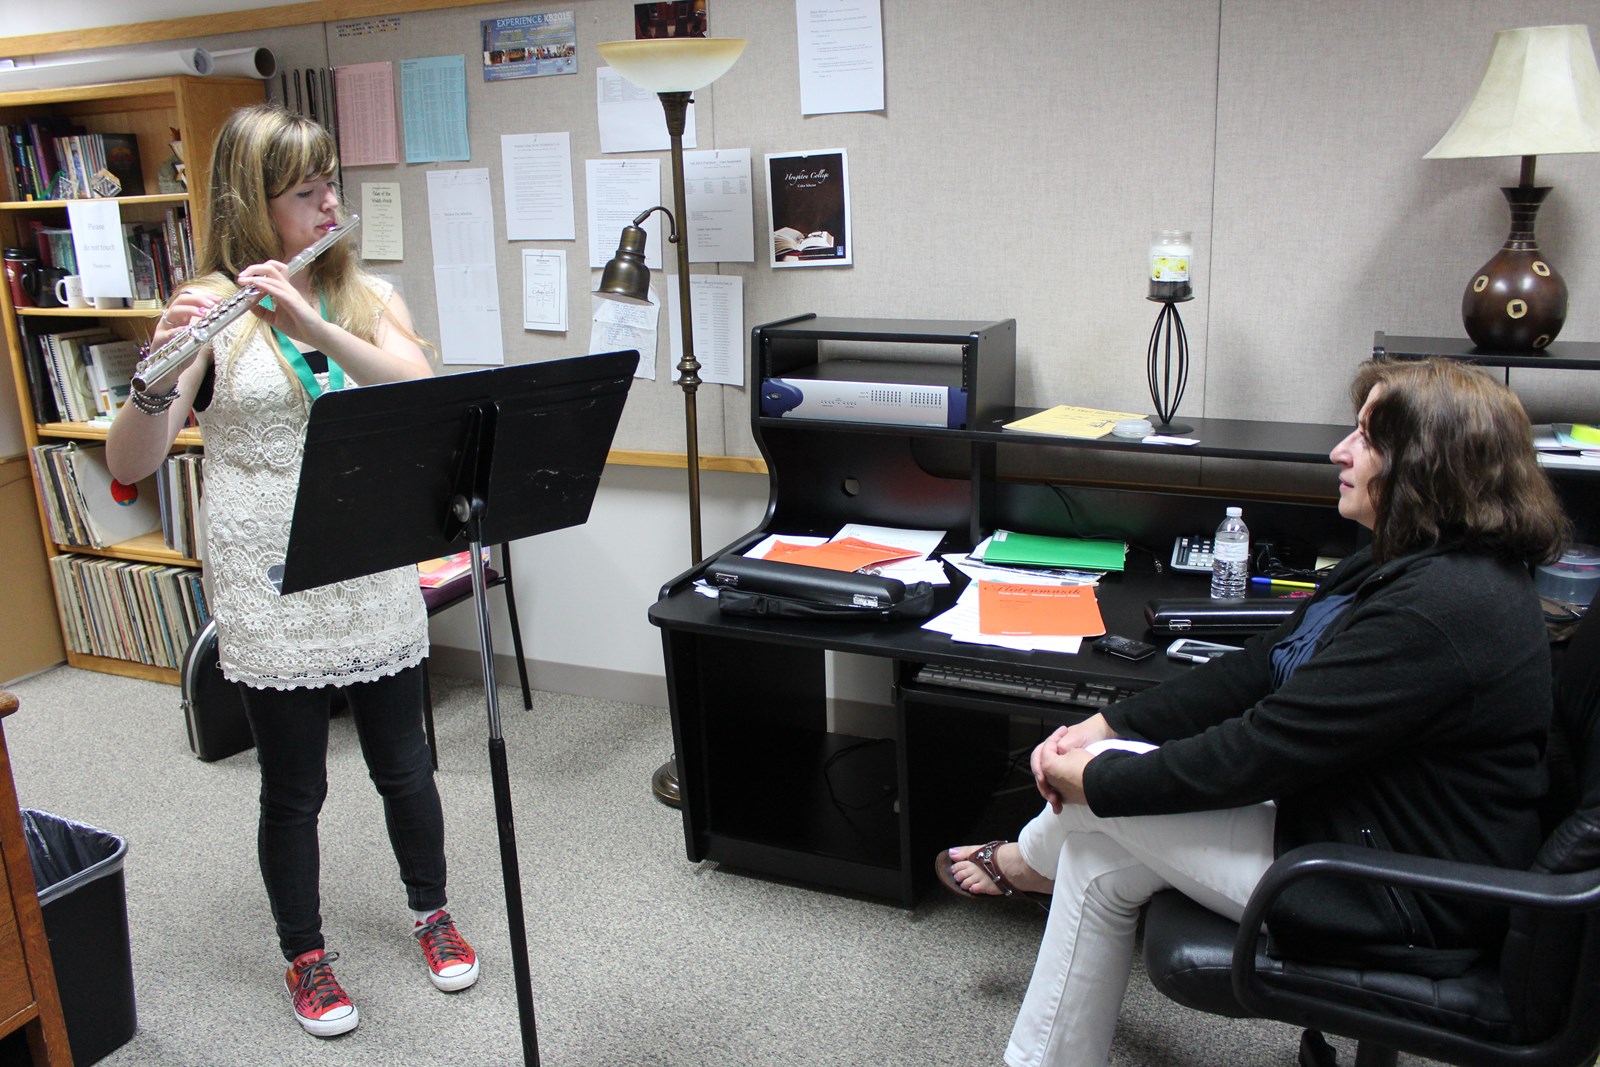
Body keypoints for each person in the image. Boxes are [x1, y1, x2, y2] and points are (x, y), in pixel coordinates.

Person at [938, 357, 1570, 1067]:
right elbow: (1261, 663)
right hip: (1346, 818)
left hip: (1402, 893)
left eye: (1366, 438)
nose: (1339, 451)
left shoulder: (1442, 608)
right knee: (1095, 857)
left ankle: (1026, 860)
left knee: (1094, 805)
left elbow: (1261, 750)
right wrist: (1110, 724)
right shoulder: (1403, 558)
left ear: (1428, 465)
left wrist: (1093, 779)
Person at [107, 104, 478, 1039]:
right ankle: (305, 955)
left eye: (330, 186)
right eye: (306, 192)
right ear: (252, 201)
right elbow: (131, 462)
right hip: (268, 572)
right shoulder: (206, 309)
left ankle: (431, 911)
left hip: (366, 560)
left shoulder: (363, 294)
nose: (329, 206)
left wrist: (311, 319)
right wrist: (157, 374)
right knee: (294, 787)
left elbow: (421, 392)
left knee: (406, 763)